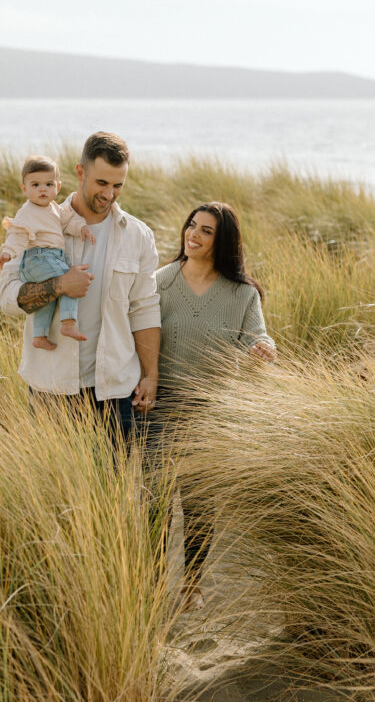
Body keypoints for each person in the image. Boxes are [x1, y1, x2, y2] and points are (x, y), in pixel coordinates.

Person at [154, 201, 276, 611]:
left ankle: (190, 585)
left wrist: (262, 349)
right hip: (158, 405)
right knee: (154, 501)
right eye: (191, 225)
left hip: (208, 410)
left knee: (199, 505)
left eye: (206, 230)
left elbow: (258, 337)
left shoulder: (242, 294)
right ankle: (151, 586)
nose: (194, 234)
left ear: (221, 240)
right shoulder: (161, 282)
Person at [0, 132, 160, 438]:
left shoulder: (138, 236)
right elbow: (6, 299)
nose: (109, 194)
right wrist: (59, 285)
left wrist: (151, 375)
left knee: (118, 483)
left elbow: (144, 308)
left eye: (117, 185)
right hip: (52, 392)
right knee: (50, 486)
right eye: (101, 183)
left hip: (116, 392)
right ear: (80, 172)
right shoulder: (35, 223)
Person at [0, 154, 96, 350]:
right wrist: (7, 252)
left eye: (49, 184)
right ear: (24, 189)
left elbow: (69, 222)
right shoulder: (27, 212)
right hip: (38, 258)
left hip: (48, 258)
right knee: (69, 281)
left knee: (48, 298)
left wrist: (82, 228)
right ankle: (68, 323)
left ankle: (39, 335)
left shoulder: (56, 209)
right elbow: (16, 234)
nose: (43, 189)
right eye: (35, 185)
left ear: (57, 187)